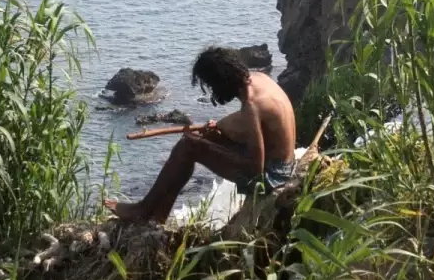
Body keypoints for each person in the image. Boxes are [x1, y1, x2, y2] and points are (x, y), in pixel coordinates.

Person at [108, 47, 297, 223]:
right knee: (197, 143)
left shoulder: (252, 105)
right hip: (283, 164)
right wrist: (220, 131)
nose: (213, 92)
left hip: (271, 177)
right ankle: (158, 217)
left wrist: (207, 146)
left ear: (220, 81)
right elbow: (253, 126)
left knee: (188, 146)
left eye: (212, 86)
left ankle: (143, 210)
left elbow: (255, 168)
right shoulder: (259, 79)